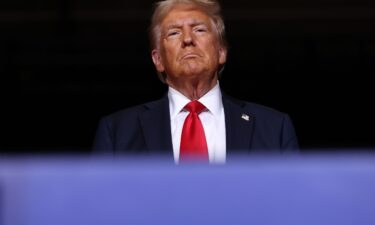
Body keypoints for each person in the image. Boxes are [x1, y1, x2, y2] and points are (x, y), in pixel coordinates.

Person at [92, 0, 299, 163]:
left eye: (199, 29)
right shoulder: (117, 132)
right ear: (158, 59)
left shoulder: (274, 128)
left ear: (221, 52)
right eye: (174, 33)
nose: (187, 39)